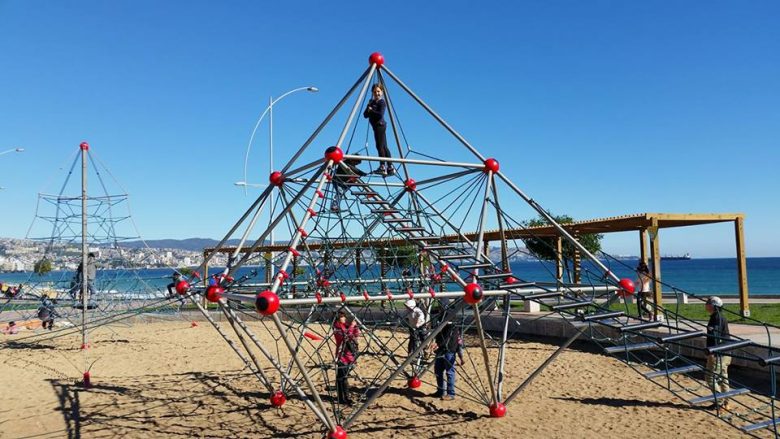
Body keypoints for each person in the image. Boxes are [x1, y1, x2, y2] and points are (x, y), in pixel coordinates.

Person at [705, 296, 732, 410]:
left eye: (708, 302)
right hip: (726, 351)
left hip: (718, 352)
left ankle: (719, 401)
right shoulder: (720, 317)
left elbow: (715, 335)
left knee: (710, 377)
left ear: (713, 305)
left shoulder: (716, 318)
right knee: (723, 377)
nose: (706, 305)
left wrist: (712, 352)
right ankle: (726, 402)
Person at [363, 83, 393, 176]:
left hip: (380, 125)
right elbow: (365, 115)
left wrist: (371, 111)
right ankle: (390, 167)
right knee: (383, 146)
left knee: (379, 146)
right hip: (376, 126)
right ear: (372, 92)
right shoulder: (371, 102)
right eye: (375, 92)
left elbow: (380, 114)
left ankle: (383, 166)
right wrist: (369, 109)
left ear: (382, 92)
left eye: (378, 91)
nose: (377, 93)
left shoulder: (381, 102)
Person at [432, 320, 464, 400]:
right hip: (440, 351)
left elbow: (458, 342)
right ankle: (441, 391)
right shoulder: (441, 326)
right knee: (438, 371)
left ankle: (451, 393)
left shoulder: (453, 327)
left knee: (449, 373)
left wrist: (461, 357)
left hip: (449, 352)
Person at [333, 310, 359, 405]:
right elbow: (345, 337)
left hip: (349, 355)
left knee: (344, 377)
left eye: (344, 316)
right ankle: (343, 398)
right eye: (342, 317)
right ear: (338, 319)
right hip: (342, 356)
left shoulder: (346, 326)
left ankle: (343, 397)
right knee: (342, 378)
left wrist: (355, 326)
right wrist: (352, 327)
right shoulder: (337, 327)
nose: (344, 318)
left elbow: (355, 335)